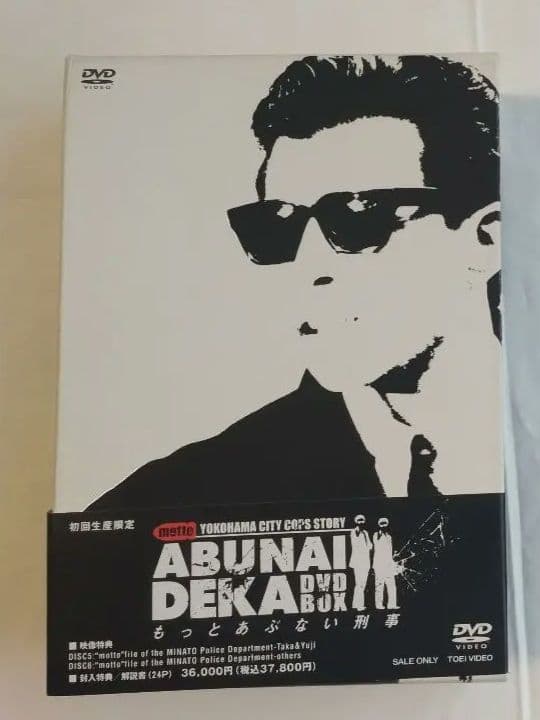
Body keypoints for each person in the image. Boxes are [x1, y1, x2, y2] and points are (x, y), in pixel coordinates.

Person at [87, 55, 500, 510]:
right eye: (277, 227)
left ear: (488, 237)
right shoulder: (169, 500)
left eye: (358, 220)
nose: (309, 265)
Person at [372, 516, 399, 610]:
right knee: (379, 586)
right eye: (382, 524)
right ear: (379, 525)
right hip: (379, 565)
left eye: (385, 524)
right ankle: (379, 605)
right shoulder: (376, 535)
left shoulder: (389, 536)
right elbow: (376, 542)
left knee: (391, 585)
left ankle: (392, 604)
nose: (383, 526)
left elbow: (389, 550)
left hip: (389, 564)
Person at [349, 514, 372, 611]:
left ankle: (355, 604)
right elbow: (356, 543)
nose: (361, 522)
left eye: (362, 520)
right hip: (358, 562)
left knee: (362, 584)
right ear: (356, 522)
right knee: (359, 584)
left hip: (365, 562)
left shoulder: (365, 532)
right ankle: (359, 605)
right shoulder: (354, 532)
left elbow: (370, 546)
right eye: (359, 520)